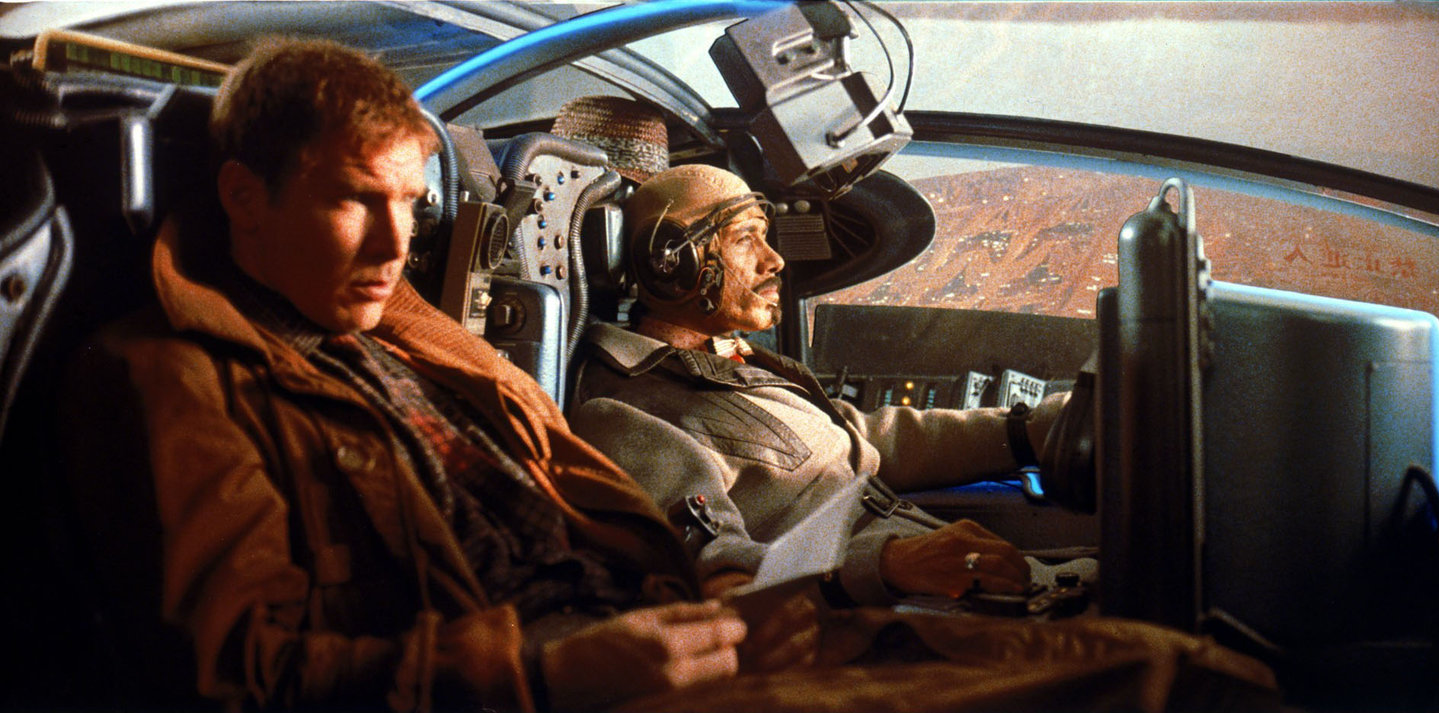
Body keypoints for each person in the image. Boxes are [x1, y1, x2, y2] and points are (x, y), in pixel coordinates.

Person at [58, 38, 1276, 712]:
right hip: (576, 678)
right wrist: (543, 671)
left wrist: (775, 597)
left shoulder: (416, 342)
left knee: (1195, 668)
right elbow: (236, 677)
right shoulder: (171, 379)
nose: (394, 244)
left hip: (666, 630)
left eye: (410, 207)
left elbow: (646, 523)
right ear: (243, 195)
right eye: (350, 201)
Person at [569, 163, 1087, 607]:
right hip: (887, 618)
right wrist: (885, 564)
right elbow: (718, 578)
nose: (774, 260)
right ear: (671, 263)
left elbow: (864, 439)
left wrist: (1032, 430)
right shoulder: (623, 411)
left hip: (965, 591)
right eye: (745, 239)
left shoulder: (720, 363)